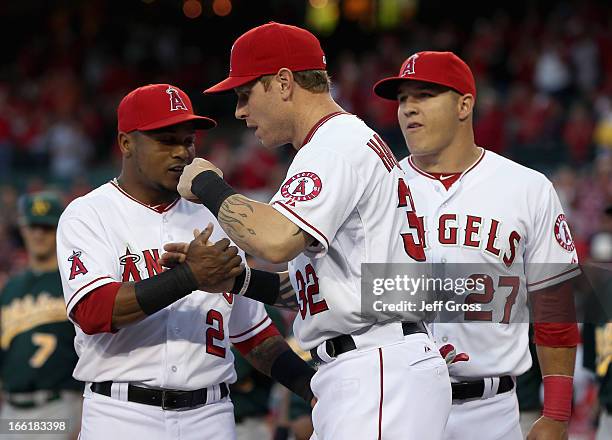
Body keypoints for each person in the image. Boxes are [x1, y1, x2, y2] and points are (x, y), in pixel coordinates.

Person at [171, 22, 452, 440]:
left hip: (375, 366)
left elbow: (275, 240)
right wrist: (235, 279)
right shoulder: (347, 141)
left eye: (246, 94)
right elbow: (320, 287)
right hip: (380, 362)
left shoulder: (333, 146)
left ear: (284, 82)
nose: (239, 111)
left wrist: (208, 184)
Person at [56, 83, 316, 440]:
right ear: (126, 143)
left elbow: (253, 334)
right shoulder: (89, 214)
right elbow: (93, 310)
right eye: (166, 140)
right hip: (121, 414)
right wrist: (188, 278)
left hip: (210, 415)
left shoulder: (217, 218)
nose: (182, 152)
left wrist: (310, 389)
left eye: (188, 140)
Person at [373, 51, 581, 439]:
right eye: (403, 99)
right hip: (394, 404)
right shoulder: (376, 188)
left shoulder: (527, 188)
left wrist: (556, 413)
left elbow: (555, 306)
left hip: (490, 410)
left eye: (425, 95)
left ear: (464, 104)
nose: (408, 109)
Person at [0, 191, 82, 440]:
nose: (38, 234)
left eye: (46, 227)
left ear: (59, 230)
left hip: (59, 407)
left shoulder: (73, 282)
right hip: (12, 410)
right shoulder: (11, 287)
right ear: (23, 229)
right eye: (33, 226)